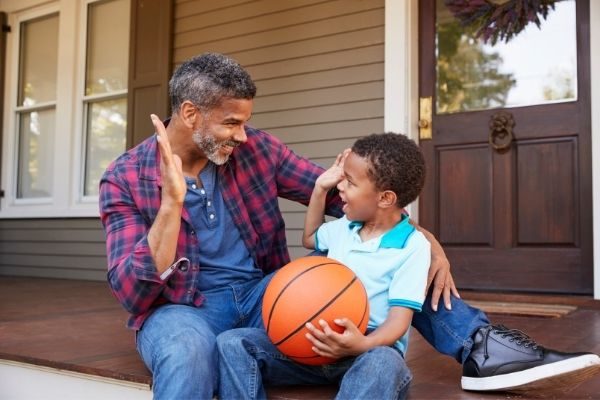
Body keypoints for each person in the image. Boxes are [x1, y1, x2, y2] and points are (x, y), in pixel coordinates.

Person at [99, 52, 600, 399]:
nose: (244, 134)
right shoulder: (124, 178)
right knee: (188, 355)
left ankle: (480, 348)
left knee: (387, 256)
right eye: (231, 122)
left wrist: (422, 241)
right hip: (185, 308)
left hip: (261, 293)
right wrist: (171, 205)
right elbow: (134, 292)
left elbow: (357, 208)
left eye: (246, 121)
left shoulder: (258, 153)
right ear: (190, 114)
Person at [217, 133, 430, 399]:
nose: (341, 187)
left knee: (384, 364)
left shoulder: (412, 247)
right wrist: (319, 189)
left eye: (349, 182)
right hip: (313, 344)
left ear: (385, 198)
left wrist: (361, 343)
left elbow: (398, 321)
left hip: (368, 348)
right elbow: (310, 237)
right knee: (233, 342)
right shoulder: (345, 227)